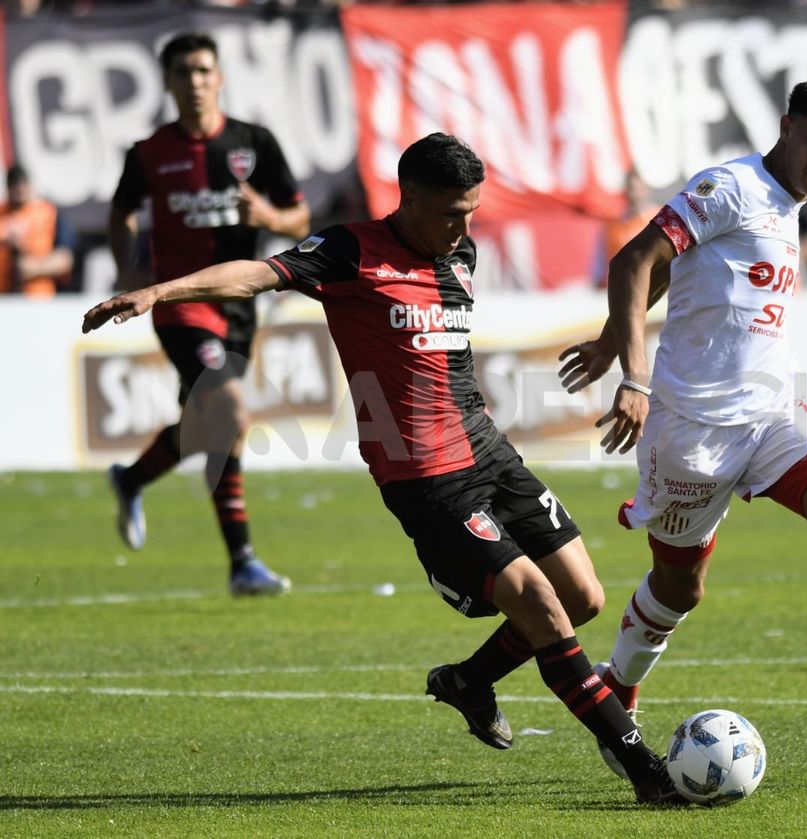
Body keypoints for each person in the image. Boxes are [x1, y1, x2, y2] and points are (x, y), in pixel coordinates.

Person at [83, 132, 686, 806]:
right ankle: (649, 775)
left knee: (583, 597)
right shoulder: (349, 251)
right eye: (452, 212)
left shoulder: (462, 250)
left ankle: (468, 681)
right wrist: (160, 291)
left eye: (473, 211)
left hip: (488, 449)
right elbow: (257, 272)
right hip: (425, 477)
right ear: (411, 199)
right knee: (545, 609)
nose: (464, 227)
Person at [558, 76, 807, 775]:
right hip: (689, 427)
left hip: (771, 410)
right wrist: (633, 372)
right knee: (679, 588)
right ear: (786, 124)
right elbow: (637, 259)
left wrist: (617, 336)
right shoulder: (731, 187)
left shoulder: (790, 204)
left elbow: (700, 277)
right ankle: (618, 689)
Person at [106, 32, 311, 595]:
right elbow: (120, 212)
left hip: (240, 307)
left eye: (203, 71)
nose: (195, 82)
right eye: (183, 73)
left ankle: (132, 476)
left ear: (219, 77)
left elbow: (299, 219)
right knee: (229, 412)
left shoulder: (254, 143)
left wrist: (268, 211)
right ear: (168, 83)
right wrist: (129, 273)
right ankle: (243, 561)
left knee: (207, 428)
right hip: (180, 307)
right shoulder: (149, 153)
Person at [0, 165, 76, 297]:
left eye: (22, 184)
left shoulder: (49, 214)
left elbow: (65, 260)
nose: (19, 189)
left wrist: (34, 268)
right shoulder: (2, 213)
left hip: (38, 300)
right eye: (14, 185)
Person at [592, 171, 657, 288]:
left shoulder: (659, 220)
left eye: (638, 189)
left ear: (646, 190)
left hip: (652, 290)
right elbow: (599, 264)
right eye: (631, 189)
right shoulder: (611, 225)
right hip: (617, 290)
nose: (634, 194)